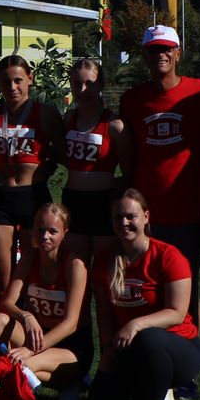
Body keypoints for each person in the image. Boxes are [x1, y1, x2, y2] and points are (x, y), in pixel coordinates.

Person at [117, 25, 200, 328]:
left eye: (166, 49)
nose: (160, 55)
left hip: (188, 212)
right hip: (145, 215)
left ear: (178, 53)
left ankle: (189, 350)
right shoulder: (132, 99)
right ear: (144, 55)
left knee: (186, 289)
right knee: (146, 288)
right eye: (153, 50)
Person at [92, 189, 200, 400]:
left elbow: (177, 312)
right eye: (118, 217)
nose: (124, 222)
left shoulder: (169, 256)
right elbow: (104, 313)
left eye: (131, 216)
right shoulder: (104, 258)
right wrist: (107, 348)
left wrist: (136, 324)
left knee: (148, 336)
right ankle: (146, 393)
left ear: (146, 217)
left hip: (178, 349)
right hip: (130, 347)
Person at [0, 202, 91, 400]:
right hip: (37, 336)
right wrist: (26, 316)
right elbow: (6, 303)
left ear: (65, 234)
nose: (45, 236)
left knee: (23, 363)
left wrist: (30, 350)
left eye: (53, 231)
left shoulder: (75, 265)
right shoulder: (30, 257)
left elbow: (71, 323)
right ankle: (20, 386)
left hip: (71, 346)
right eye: (40, 230)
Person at [0, 54, 64, 289]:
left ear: (30, 79)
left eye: (18, 80)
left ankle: (30, 311)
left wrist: (45, 166)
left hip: (33, 197)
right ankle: (4, 312)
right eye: (6, 82)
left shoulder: (46, 114)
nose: (12, 87)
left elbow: (62, 153)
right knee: (3, 279)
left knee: (32, 274)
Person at [58, 58, 127, 265]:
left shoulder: (114, 125)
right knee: (75, 265)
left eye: (89, 83)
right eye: (77, 83)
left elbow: (130, 172)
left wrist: (110, 187)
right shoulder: (68, 119)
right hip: (73, 201)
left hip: (103, 203)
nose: (82, 89)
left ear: (101, 85)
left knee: (104, 269)